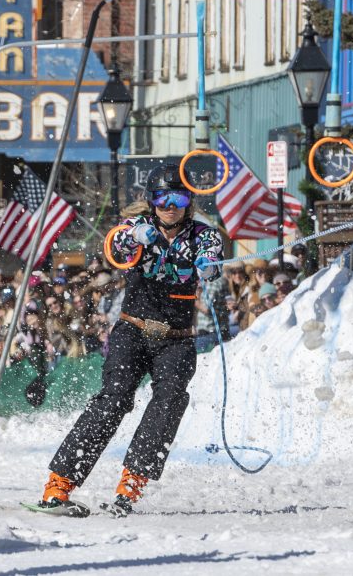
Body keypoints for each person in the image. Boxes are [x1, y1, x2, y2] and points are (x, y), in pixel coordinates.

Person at [37, 164, 222, 518]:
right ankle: (58, 485)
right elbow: (114, 246)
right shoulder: (138, 228)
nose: (171, 205)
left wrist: (209, 264)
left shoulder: (203, 235)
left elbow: (212, 255)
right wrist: (136, 238)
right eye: (163, 199)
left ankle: (130, 485)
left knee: (169, 400)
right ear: (152, 202)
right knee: (115, 399)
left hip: (176, 339)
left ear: (189, 202)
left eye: (179, 198)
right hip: (133, 330)